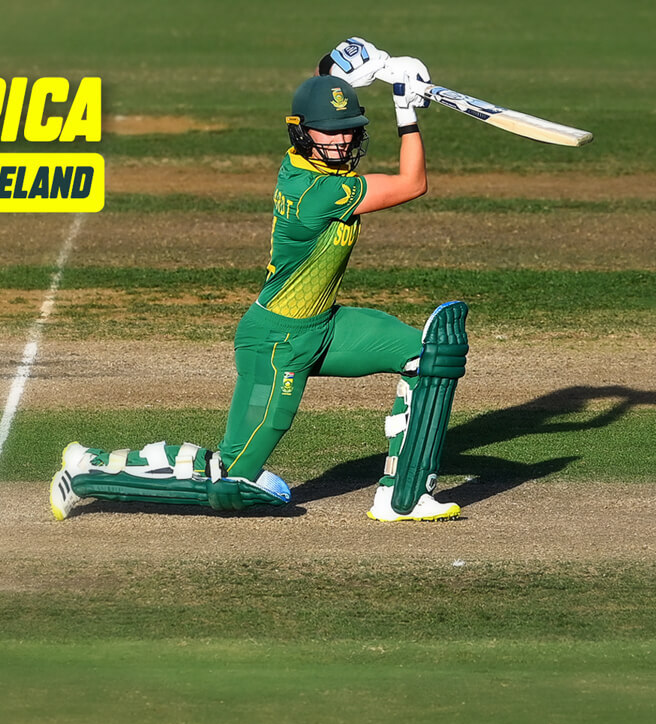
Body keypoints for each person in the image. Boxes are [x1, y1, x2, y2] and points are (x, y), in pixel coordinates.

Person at [50, 38, 469, 523]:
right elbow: (413, 183)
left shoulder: (304, 162)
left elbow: (320, 88)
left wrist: (362, 66)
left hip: (325, 328)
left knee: (429, 355)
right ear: (302, 134)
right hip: (276, 343)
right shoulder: (319, 192)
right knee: (230, 476)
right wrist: (405, 111)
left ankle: (402, 495)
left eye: (349, 131)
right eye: (330, 133)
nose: (340, 142)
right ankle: (87, 470)